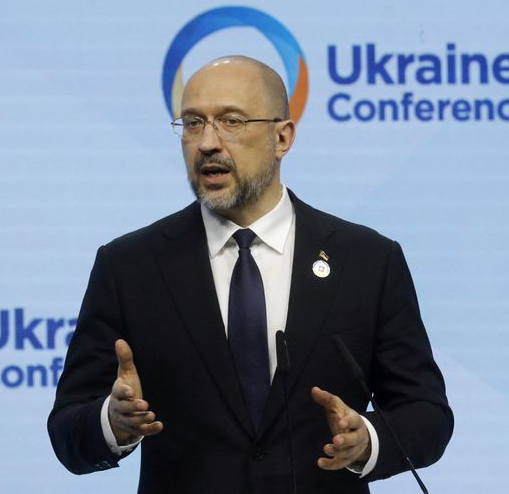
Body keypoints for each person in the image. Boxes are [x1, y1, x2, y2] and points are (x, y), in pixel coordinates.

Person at [47, 56, 453, 493]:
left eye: (231, 121)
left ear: (282, 137)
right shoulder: (129, 266)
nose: (206, 143)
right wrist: (113, 422)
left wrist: (366, 442)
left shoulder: (367, 260)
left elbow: (426, 413)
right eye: (192, 123)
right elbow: (69, 429)